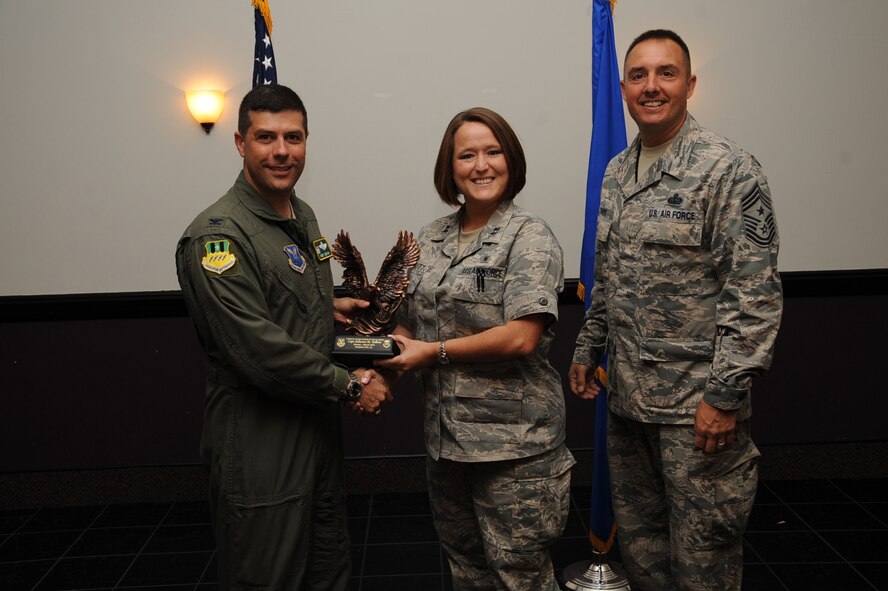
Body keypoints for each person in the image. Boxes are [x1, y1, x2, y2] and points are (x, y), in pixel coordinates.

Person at [568, 30, 782, 590]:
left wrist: (724, 396)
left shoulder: (728, 170)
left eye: (666, 73)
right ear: (623, 88)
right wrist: (588, 349)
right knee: (645, 561)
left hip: (698, 415)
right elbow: (609, 273)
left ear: (690, 84)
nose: (651, 86)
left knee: (703, 565)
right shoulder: (618, 172)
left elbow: (753, 294)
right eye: (638, 75)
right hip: (628, 406)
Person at [175, 83, 391, 590]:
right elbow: (258, 349)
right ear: (239, 142)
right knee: (268, 575)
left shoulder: (302, 215)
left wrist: (325, 305)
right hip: (259, 440)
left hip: (315, 431)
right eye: (265, 137)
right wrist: (351, 385)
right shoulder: (218, 236)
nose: (281, 151)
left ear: (307, 141)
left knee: (326, 566)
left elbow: (283, 299)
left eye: (293, 137)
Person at [376, 107, 575, 590]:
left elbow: (521, 335)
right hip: (447, 448)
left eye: (493, 151)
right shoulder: (430, 237)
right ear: (452, 168)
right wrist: (376, 372)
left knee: (520, 579)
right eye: (467, 155)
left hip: (515, 451)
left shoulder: (529, 235)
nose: (481, 165)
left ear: (511, 160)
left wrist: (431, 353)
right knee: (467, 573)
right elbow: (409, 328)